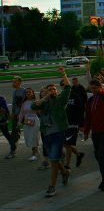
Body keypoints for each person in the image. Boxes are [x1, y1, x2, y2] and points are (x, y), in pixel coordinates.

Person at [31, 69, 71, 197]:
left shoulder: (60, 101)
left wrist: (63, 74)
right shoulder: (44, 103)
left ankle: (52, 187)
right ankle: (64, 172)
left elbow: (68, 87)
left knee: (53, 160)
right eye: (50, 90)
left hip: (58, 133)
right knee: (54, 159)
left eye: (54, 89)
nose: (53, 91)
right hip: (46, 134)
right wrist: (45, 98)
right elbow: (33, 106)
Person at [63, 80, 85, 169]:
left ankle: (67, 165)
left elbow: (81, 110)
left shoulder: (75, 96)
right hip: (64, 124)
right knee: (65, 144)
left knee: (68, 144)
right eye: (62, 85)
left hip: (73, 124)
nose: (63, 87)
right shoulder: (62, 97)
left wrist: (82, 124)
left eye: (65, 85)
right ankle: (78, 154)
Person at [18, 88, 40, 161]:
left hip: (34, 121)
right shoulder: (24, 103)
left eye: (29, 92)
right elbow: (21, 113)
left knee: (34, 137)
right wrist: (19, 121)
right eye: (26, 92)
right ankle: (36, 150)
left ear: (32, 93)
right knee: (28, 138)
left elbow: (40, 111)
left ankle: (34, 153)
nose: (28, 93)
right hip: (27, 122)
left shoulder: (35, 102)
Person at [5, 75, 25, 159]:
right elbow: (14, 104)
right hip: (15, 115)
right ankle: (13, 150)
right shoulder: (14, 92)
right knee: (14, 132)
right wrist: (12, 114)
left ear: (19, 82)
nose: (13, 83)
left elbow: (24, 104)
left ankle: (35, 151)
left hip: (23, 115)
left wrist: (20, 114)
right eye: (12, 81)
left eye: (15, 81)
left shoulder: (23, 91)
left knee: (31, 131)